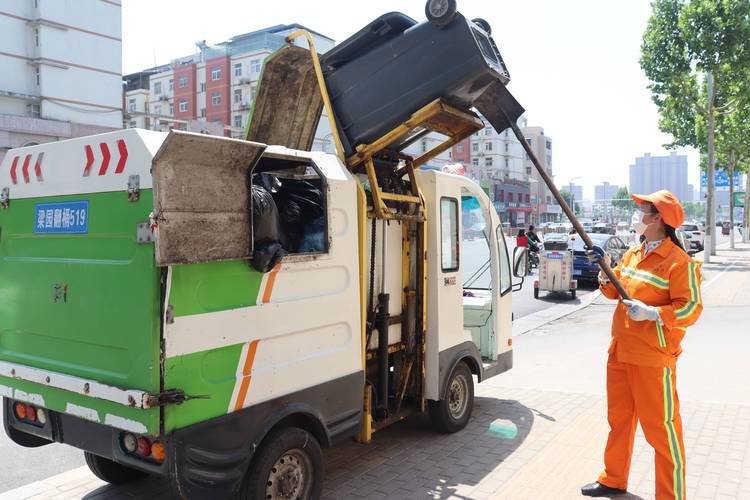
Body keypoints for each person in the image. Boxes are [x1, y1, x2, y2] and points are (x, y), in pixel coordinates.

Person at [581, 190, 702, 500]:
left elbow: (691, 309)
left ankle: (670, 496)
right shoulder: (634, 253)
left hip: (652, 359)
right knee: (619, 421)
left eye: (643, 210)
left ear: (658, 218)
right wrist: (604, 266)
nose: (637, 215)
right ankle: (613, 478)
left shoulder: (679, 263)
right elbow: (612, 290)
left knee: (661, 431)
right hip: (620, 352)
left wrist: (654, 313)